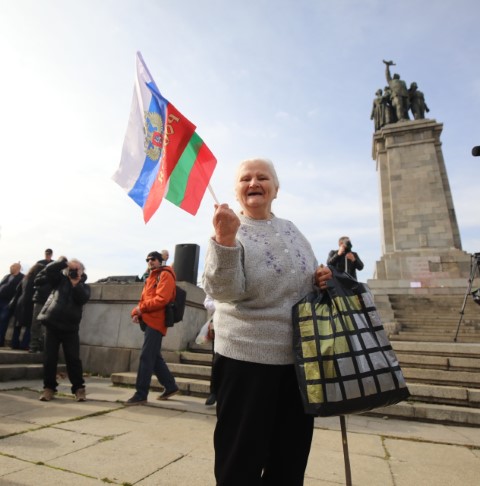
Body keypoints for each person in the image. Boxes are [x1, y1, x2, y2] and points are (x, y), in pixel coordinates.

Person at [202, 157, 332, 486]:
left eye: (263, 177)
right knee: (240, 463)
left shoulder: (292, 229)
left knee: (290, 461)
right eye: (246, 178)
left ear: (276, 188)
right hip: (246, 361)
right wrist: (226, 241)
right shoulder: (228, 228)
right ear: (236, 190)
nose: (254, 183)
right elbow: (223, 292)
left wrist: (319, 278)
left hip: (299, 363)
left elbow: (304, 278)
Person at [126, 251, 179, 405]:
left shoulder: (165, 275)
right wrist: (139, 313)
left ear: (161, 260)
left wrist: (140, 310)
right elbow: (146, 299)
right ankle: (170, 386)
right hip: (149, 320)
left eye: (153, 259)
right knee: (154, 357)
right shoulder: (151, 277)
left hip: (157, 321)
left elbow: (161, 299)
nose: (150, 261)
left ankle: (141, 394)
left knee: (146, 357)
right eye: (148, 259)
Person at [37, 257, 90, 402]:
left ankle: (79, 389)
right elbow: (49, 270)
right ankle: (49, 388)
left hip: (70, 328)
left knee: (73, 359)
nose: (74, 272)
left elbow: (83, 298)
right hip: (52, 325)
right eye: (72, 269)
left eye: (77, 269)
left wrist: (76, 284)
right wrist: (64, 263)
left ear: (82, 271)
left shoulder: (84, 286)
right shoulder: (59, 280)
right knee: (49, 359)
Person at [10, 263, 45, 350]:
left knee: (17, 325)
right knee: (30, 325)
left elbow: (18, 289)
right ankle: (24, 344)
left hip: (20, 301)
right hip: (30, 303)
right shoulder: (38, 279)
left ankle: (14, 343)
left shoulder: (25, 278)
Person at [0, 263, 24, 347]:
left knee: (3, 320)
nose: (11, 268)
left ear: (18, 268)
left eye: (12, 266)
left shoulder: (22, 277)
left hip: (9, 302)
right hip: (1, 299)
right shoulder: (7, 276)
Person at [203, 294, 216, 407]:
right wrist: (222, 306)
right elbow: (207, 302)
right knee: (216, 360)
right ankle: (214, 392)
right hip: (218, 323)